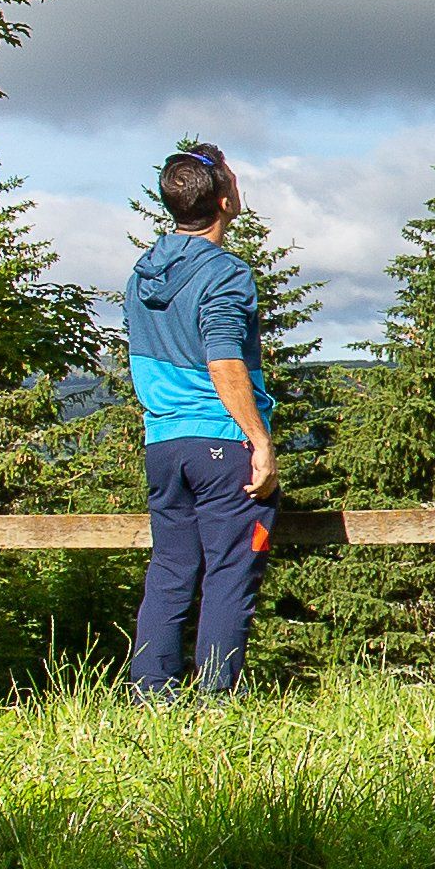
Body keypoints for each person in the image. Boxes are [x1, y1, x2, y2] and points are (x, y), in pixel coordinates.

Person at [122, 142, 280, 693]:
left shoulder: (142, 277)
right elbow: (224, 361)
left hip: (163, 444)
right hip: (220, 443)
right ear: (223, 200)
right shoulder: (225, 275)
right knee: (229, 575)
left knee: (169, 573)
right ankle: (215, 703)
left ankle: (152, 699)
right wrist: (258, 440)